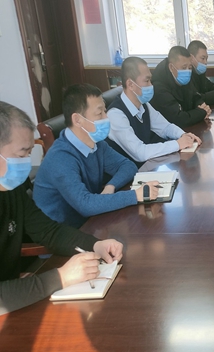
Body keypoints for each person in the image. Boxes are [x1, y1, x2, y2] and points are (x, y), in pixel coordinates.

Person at [0, 101, 123, 315]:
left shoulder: (11, 189)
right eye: (21, 155)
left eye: (30, 153)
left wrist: (95, 245)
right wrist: (61, 277)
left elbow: (48, 231)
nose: (27, 163)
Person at [33, 84, 159, 228]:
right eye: (99, 113)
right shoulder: (60, 158)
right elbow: (85, 205)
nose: (106, 117)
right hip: (59, 232)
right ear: (78, 120)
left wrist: (111, 186)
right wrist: (135, 195)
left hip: (89, 221)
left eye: (105, 111)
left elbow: (127, 166)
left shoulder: (96, 144)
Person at [106, 56, 201, 166]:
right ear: (131, 84)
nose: (151, 85)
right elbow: (140, 152)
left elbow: (165, 127)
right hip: (127, 174)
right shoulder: (115, 115)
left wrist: (183, 135)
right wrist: (177, 144)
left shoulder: (143, 105)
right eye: (147, 81)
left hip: (146, 167)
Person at [150, 46, 212, 128]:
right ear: (171, 67)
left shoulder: (183, 77)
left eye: (190, 67)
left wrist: (202, 106)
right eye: (184, 67)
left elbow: (195, 96)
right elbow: (178, 119)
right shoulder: (159, 88)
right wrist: (202, 112)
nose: (187, 71)